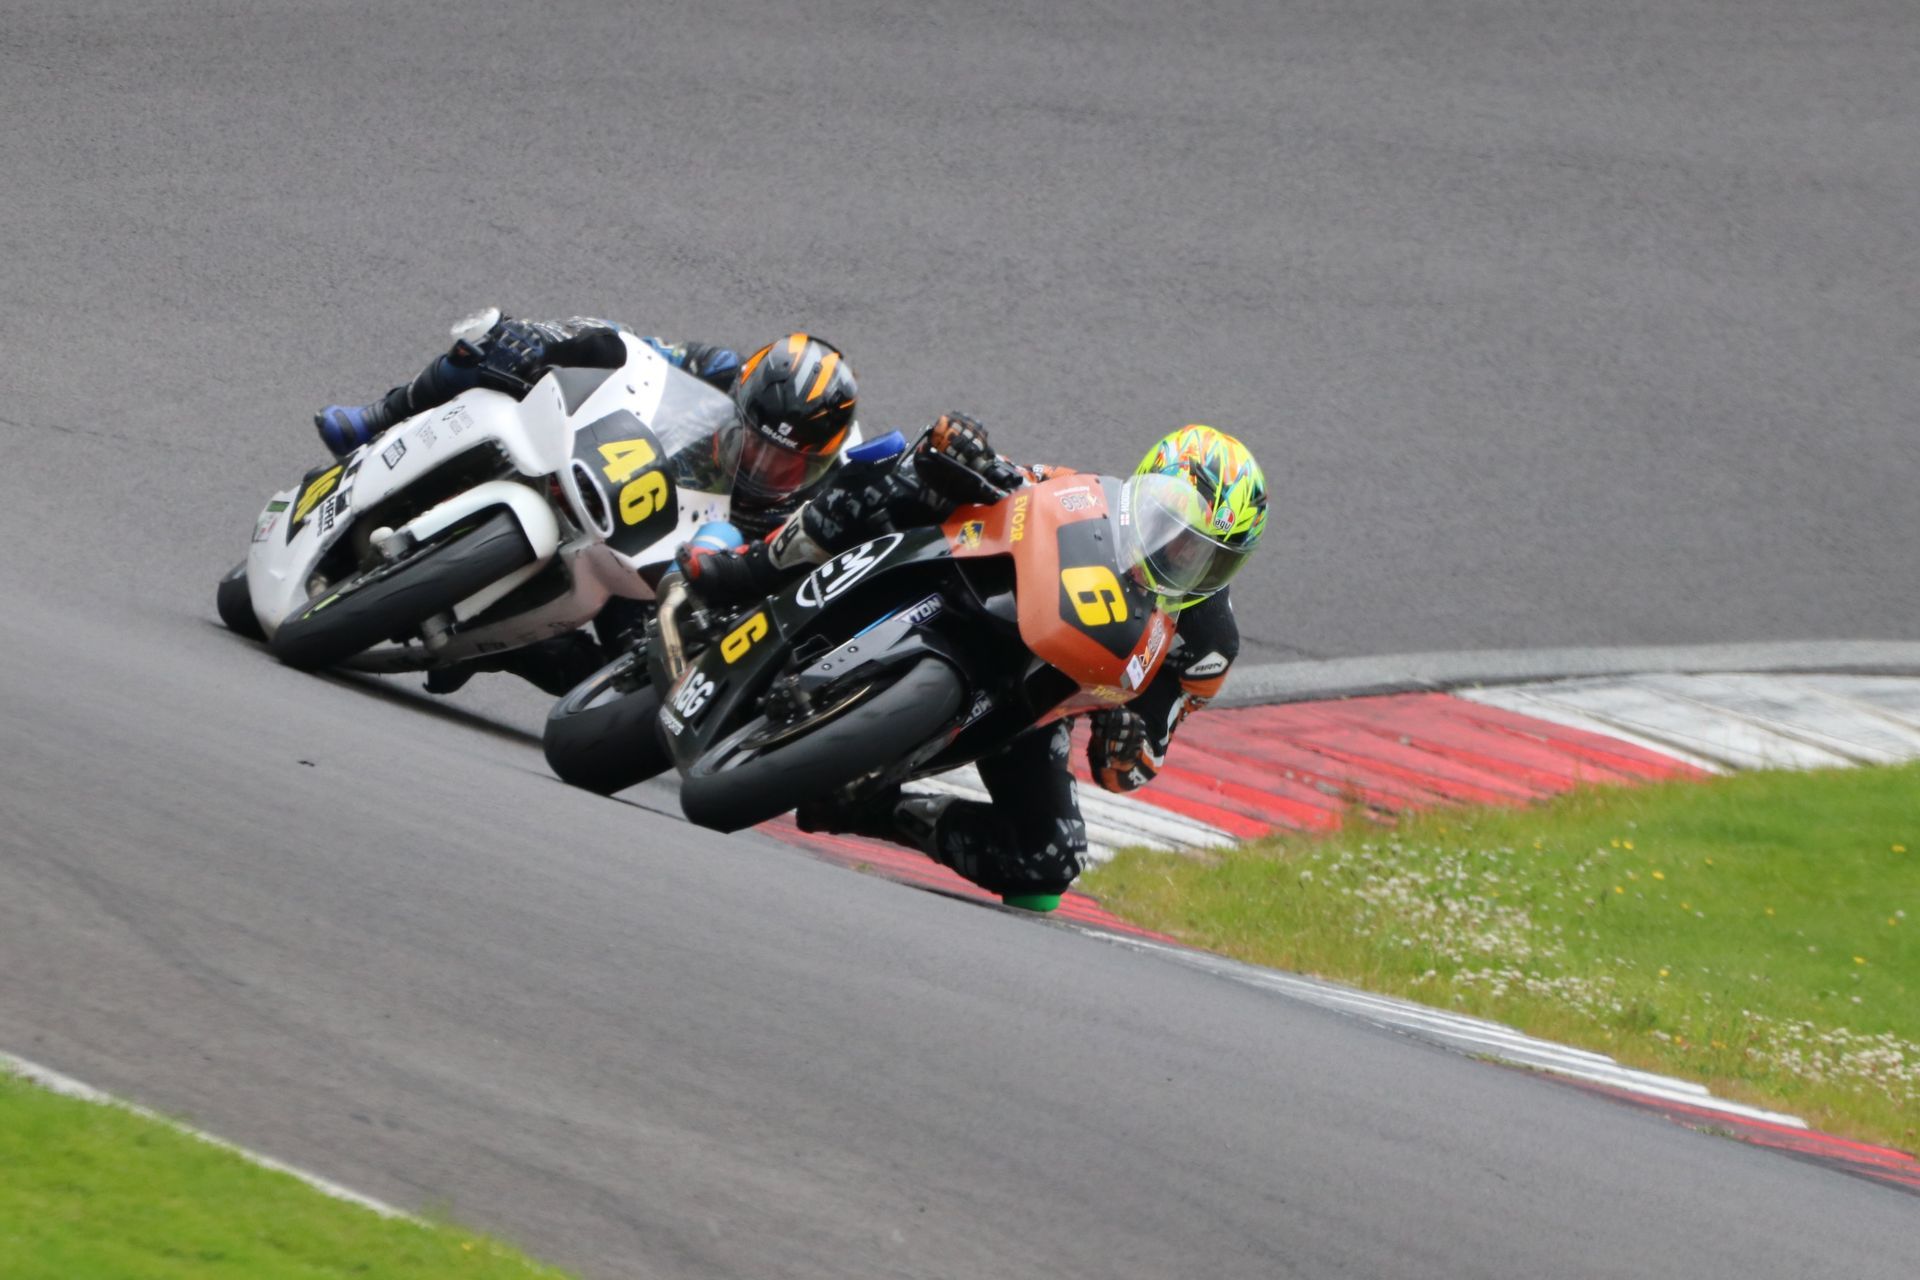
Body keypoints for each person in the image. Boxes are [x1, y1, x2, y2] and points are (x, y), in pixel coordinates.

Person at [675, 419, 1267, 912]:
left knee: (1048, 864)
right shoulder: (1086, 495)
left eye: (1209, 555)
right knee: (903, 473)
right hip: (978, 577)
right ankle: (750, 569)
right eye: (1173, 526)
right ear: (1143, 490)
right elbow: (1008, 476)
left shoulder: (1207, 646)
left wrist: (1125, 738)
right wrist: (963, 448)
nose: (1180, 553)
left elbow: (1135, 767)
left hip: (1033, 704)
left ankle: (871, 807)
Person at [313, 315, 859, 692]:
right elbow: (629, 348)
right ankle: (378, 418)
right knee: (493, 350)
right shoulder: (720, 368)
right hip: (624, 468)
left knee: (635, 677)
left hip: (667, 563)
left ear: (821, 461)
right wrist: (544, 339)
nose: (762, 470)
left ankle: (498, 649)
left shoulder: (831, 491)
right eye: (755, 446)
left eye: (786, 465)